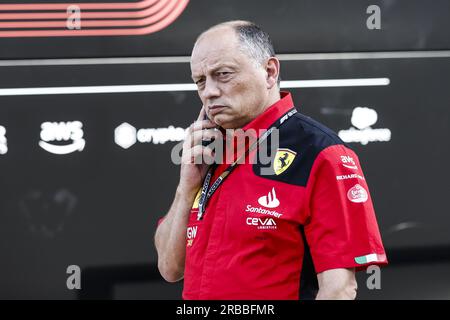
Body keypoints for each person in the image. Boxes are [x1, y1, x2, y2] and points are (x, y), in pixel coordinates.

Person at [154, 20, 387, 300]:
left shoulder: (321, 154)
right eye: (200, 81)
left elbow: (339, 290)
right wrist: (186, 188)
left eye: (223, 74)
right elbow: (169, 268)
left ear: (269, 71)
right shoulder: (209, 152)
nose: (209, 92)